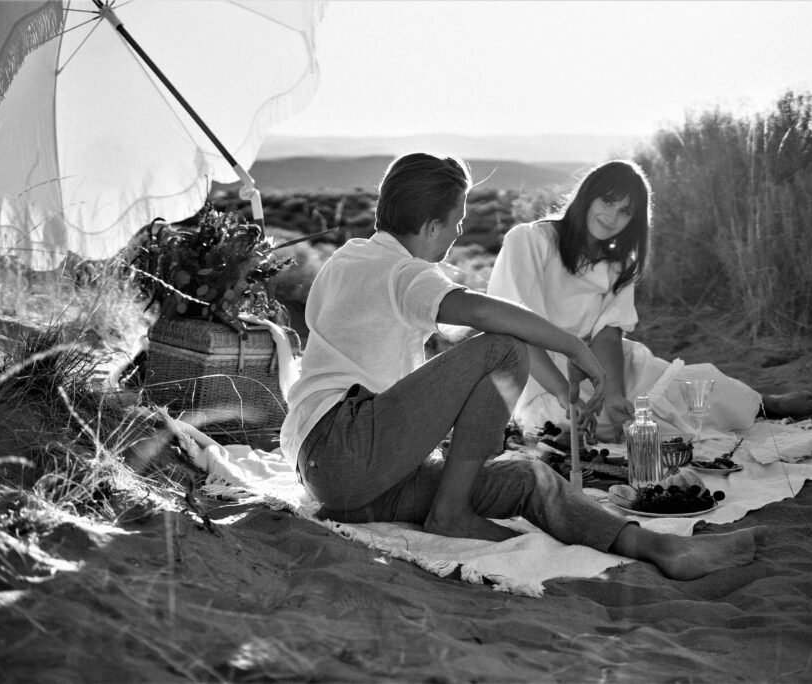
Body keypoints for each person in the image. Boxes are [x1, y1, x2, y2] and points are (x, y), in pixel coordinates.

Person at [279, 152, 758, 580]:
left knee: (528, 477)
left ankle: (655, 546)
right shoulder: (401, 272)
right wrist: (572, 346)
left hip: (356, 481)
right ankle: (450, 512)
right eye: (457, 221)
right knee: (504, 347)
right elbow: (486, 316)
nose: (460, 231)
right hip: (344, 447)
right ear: (430, 228)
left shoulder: (345, 261)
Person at [487, 160, 812, 443]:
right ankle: (579, 412)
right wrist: (565, 392)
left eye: (624, 212)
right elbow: (516, 329)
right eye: (607, 202)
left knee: (687, 388)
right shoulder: (530, 240)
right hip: (535, 368)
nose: (611, 217)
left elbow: (608, 335)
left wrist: (614, 393)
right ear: (587, 196)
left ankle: (763, 403)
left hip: (599, 367)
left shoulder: (618, 263)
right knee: (574, 426)